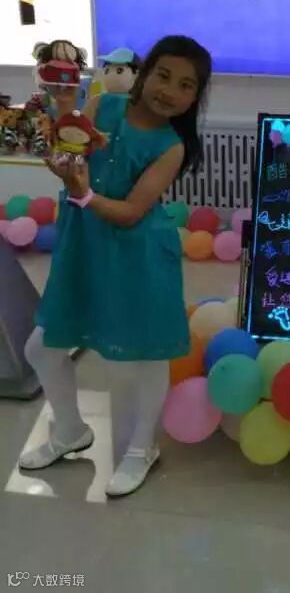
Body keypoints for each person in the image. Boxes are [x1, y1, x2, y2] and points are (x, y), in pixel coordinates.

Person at [20, 35, 212, 497]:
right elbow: (69, 156)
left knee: (144, 357)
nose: (170, 90)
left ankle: (142, 448)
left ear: (194, 98)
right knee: (41, 349)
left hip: (137, 256)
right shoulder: (103, 106)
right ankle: (69, 431)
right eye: (163, 75)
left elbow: (130, 212)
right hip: (84, 247)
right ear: (145, 73)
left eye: (185, 85)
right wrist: (61, 125)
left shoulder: (171, 146)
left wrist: (83, 194)